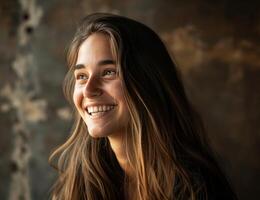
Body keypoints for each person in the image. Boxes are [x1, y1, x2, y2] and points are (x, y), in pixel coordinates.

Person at [49, 13, 237, 200]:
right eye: (81, 76)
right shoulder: (76, 186)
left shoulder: (199, 190)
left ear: (147, 82)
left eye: (108, 72)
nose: (89, 90)